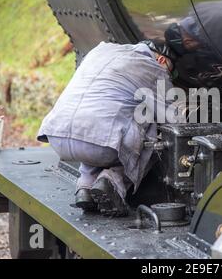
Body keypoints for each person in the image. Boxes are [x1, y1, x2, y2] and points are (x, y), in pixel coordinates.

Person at [37, 40, 176, 216]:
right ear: (162, 60)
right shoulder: (152, 67)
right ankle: (113, 181)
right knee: (153, 123)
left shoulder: (100, 50)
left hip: (57, 137)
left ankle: (85, 186)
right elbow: (172, 114)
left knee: (100, 117)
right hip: (100, 146)